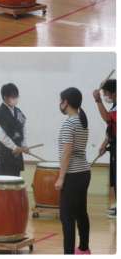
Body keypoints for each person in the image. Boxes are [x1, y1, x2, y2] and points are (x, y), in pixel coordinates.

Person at [55, 87, 91, 255]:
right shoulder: (82, 121)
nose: (59, 104)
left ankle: (68, 254)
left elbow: (67, 152)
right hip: (84, 173)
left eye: (60, 101)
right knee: (81, 212)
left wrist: (61, 177)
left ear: (66, 102)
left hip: (72, 175)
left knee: (67, 217)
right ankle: (83, 248)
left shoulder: (69, 123)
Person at [0, 83, 29, 176]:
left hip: (16, 152)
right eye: (13, 96)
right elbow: (0, 135)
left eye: (17, 96)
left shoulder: (18, 112)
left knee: (15, 179)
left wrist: (24, 145)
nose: (15, 99)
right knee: (2, 180)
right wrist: (14, 147)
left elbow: (23, 129)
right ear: (5, 97)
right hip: (3, 152)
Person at [93, 79, 116, 218]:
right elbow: (112, 127)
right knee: (115, 178)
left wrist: (98, 100)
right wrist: (104, 144)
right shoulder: (115, 105)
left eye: (107, 93)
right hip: (114, 144)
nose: (106, 96)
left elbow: (107, 119)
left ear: (114, 93)